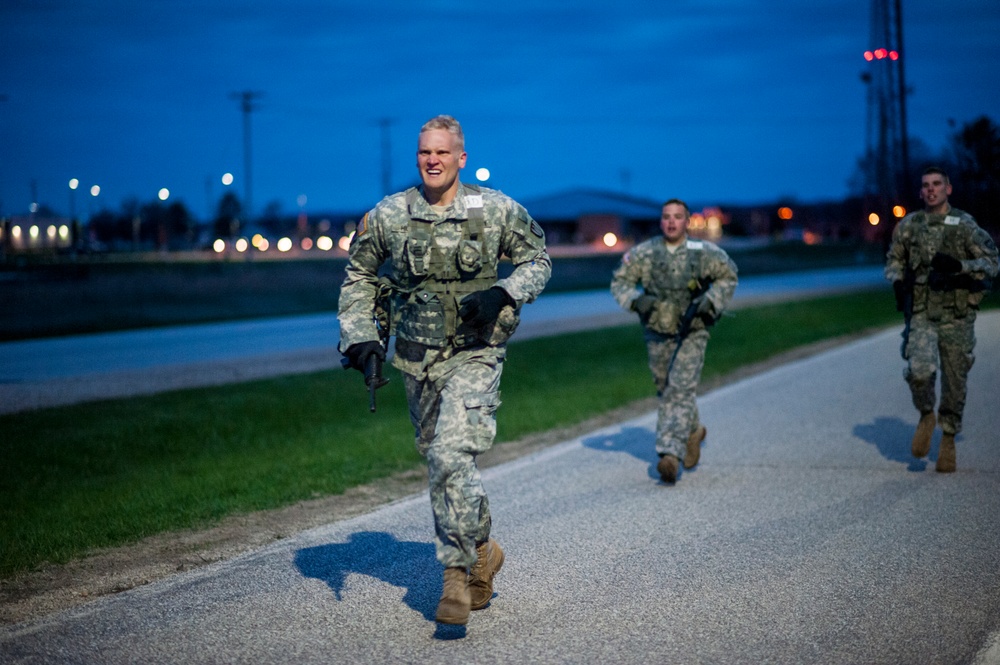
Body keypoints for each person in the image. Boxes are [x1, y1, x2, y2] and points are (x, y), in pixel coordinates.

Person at [337, 115, 551, 625]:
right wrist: (360, 336)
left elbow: (538, 261)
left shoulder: (496, 209)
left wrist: (503, 291)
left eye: (441, 152)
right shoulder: (390, 214)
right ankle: (483, 551)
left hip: (476, 353)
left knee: (451, 453)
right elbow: (360, 275)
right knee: (442, 461)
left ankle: (454, 576)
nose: (432, 160)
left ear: (461, 157)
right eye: (423, 153)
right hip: (415, 359)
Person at [611, 199, 738, 483]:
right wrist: (636, 300)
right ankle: (693, 431)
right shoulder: (645, 253)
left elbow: (728, 276)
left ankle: (670, 453)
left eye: (677, 217)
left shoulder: (702, 252)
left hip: (693, 330)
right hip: (658, 331)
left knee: (679, 388)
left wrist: (711, 301)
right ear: (661, 221)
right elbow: (620, 282)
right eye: (666, 217)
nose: (671, 222)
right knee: (665, 387)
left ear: (687, 221)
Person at [885, 166, 998, 472]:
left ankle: (948, 436)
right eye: (926, 185)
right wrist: (897, 281)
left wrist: (959, 265)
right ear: (921, 191)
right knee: (919, 371)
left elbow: (992, 263)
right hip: (922, 312)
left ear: (948, 189)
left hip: (956, 314)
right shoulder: (909, 225)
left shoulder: (964, 225)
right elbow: (894, 258)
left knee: (955, 380)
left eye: (937, 184)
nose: (931, 189)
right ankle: (926, 413)